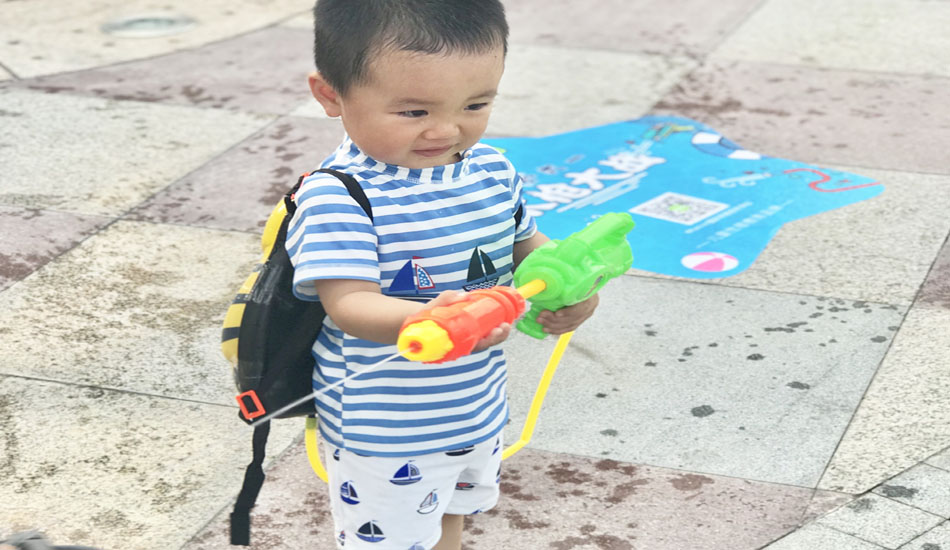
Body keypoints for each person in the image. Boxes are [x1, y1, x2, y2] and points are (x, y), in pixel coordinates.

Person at [287, 1, 600, 548]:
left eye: (476, 104)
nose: (448, 129)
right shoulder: (340, 196)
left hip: (475, 405)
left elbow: (529, 248)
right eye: (413, 112)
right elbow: (349, 303)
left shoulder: (493, 169)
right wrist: (423, 318)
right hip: (386, 425)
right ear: (331, 95)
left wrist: (573, 288)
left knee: (449, 515)